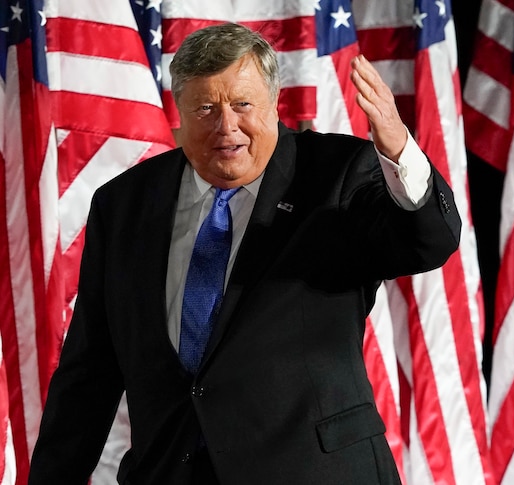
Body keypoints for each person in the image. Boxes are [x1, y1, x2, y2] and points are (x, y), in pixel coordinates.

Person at [28, 22, 460, 484]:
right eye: (206, 108)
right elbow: (88, 374)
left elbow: (427, 241)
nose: (226, 126)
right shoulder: (124, 204)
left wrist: (398, 149)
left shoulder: (336, 175)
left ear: (275, 103)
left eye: (242, 104)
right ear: (180, 112)